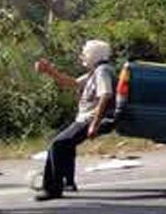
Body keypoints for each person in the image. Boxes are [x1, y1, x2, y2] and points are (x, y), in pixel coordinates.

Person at [33, 40, 116, 201]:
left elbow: (105, 95)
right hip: (84, 118)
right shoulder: (96, 72)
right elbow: (73, 83)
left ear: (94, 56)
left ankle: (52, 189)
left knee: (57, 144)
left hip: (90, 118)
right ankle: (68, 182)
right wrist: (49, 71)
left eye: (85, 53)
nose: (82, 57)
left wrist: (95, 123)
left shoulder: (102, 71)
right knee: (66, 144)